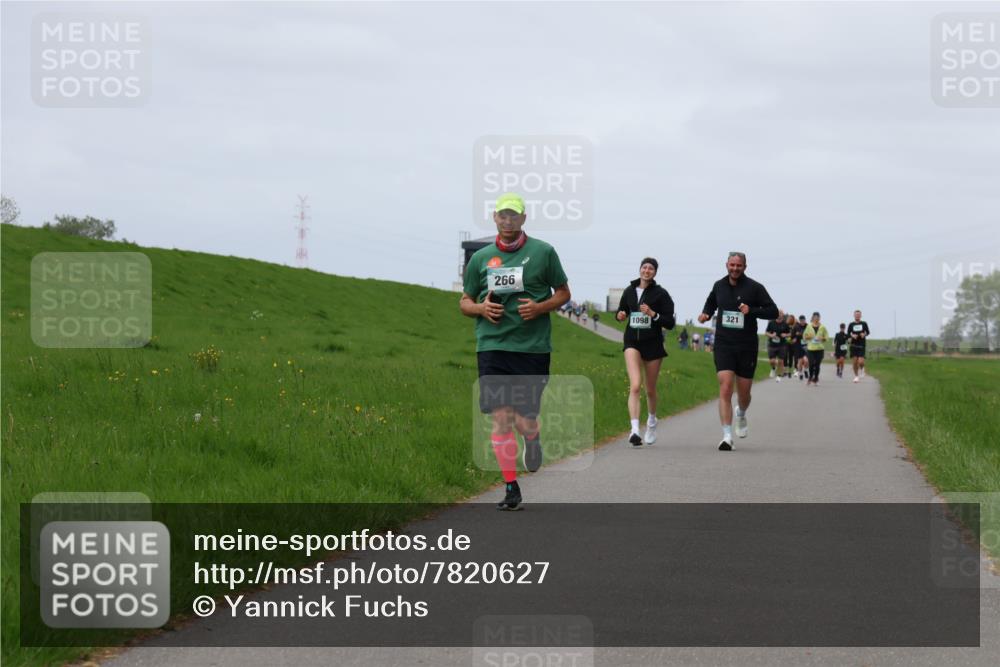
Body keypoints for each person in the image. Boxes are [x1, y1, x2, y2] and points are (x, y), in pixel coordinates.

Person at [460, 192, 570, 510]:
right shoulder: (481, 259)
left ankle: (533, 439)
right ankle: (511, 487)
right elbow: (464, 301)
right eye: (503, 215)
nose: (508, 220)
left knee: (525, 421)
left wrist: (540, 307)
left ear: (523, 219)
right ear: (495, 217)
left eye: (514, 215)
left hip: (532, 348)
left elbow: (563, 293)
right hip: (493, 346)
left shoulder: (544, 252)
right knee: (502, 418)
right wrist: (480, 309)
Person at [698, 252, 778, 451]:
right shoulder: (719, 285)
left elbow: (773, 311)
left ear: (745, 266)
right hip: (724, 343)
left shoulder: (755, 288)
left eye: (739, 265)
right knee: (725, 387)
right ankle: (726, 436)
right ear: (726, 265)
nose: (735, 268)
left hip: (746, 345)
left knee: (744, 393)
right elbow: (711, 302)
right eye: (732, 265)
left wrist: (752, 310)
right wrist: (706, 313)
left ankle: (741, 413)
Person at [616, 258, 676, 446]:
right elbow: (621, 311)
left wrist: (653, 314)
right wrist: (620, 315)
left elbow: (670, 322)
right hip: (632, 341)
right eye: (644, 267)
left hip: (653, 344)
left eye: (651, 268)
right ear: (640, 270)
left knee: (650, 389)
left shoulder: (661, 294)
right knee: (635, 385)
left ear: (655, 273)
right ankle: (634, 430)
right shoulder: (629, 291)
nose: (647, 271)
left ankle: (651, 421)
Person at [802, 312, 828, 385]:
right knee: (811, 364)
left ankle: (816, 379)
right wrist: (809, 337)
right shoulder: (809, 327)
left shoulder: (823, 327)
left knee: (817, 365)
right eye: (815, 317)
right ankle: (810, 377)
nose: (816, 318)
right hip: (811, 349)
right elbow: (804, 337)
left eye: (817, 317)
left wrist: (822, 338)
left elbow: (826, 338)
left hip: (820, 349)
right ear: (813, 318)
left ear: (819, 318)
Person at [765, 311, 789, 382]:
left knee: (781, 361)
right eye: (778, 314)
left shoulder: (785, 324)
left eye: (780, 314)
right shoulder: (771, 323)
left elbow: (790, 333)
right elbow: (766, 332)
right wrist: (771, 335)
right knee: (772, 361)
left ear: (782, 315)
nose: (779, 315)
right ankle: (773, 368)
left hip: (782, 345)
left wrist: (785, 335)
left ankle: (779, 376)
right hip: (772, 345)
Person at [848, 310, 871, 383]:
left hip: (861, 344)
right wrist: (852, 335)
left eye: (858, 315)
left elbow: (868, 332)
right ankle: (856, 376)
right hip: (853, 345)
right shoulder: (851, 324)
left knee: (860, 361)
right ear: (854, 316)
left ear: (861, 316)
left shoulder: (864, 323)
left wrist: (864, 334)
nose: (857, 316)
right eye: (856, 315)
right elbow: (848, 333)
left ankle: (862, 368)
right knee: (854, 362)